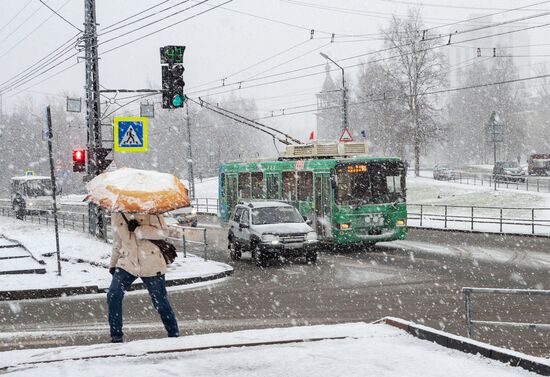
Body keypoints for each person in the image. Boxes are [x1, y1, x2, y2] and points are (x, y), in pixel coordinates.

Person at [107, 212, 179, 343]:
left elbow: (163, 233)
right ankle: (116, 336)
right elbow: (117, 242)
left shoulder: (151, 210)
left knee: (160, 303)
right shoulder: (117, 213)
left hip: (151, 261)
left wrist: (139, 229)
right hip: (128, 262)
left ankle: (174, 335)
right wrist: (113, 264)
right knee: (113, 294)